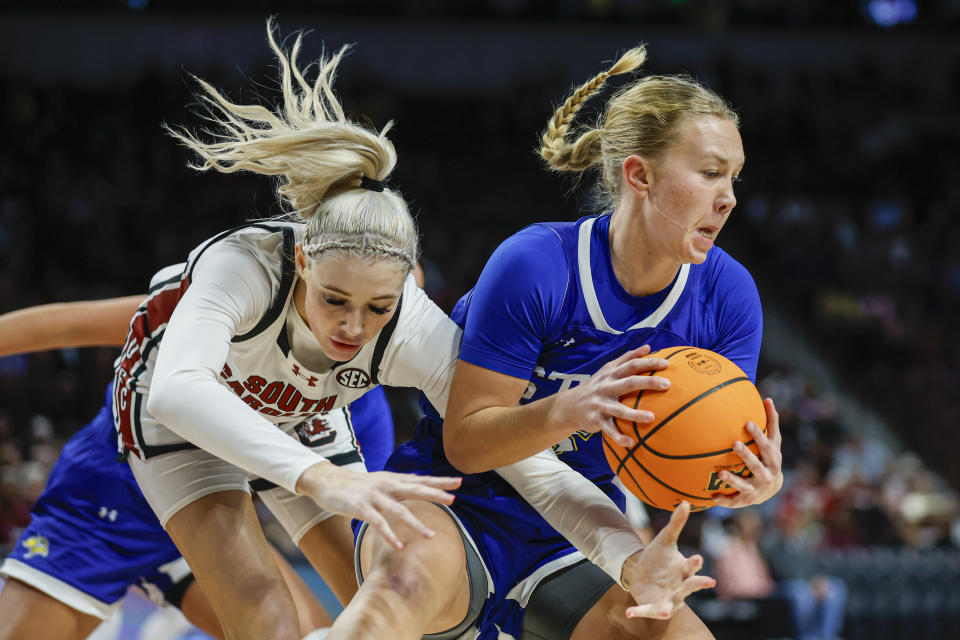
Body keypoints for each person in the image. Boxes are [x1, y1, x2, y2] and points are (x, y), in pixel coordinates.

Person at [332, 44, 784, 640]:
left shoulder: (729, 295)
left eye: (733, 176)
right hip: (451, 501)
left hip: (575, 532)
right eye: (708, 173)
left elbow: (685, 463)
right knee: (400, 594)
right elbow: (466, 441)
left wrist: (742, 483)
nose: (727, 197)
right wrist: (570, 408)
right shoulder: (537, 265)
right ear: (639, 175)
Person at [101, 18, 465, 640]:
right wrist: (321, 478)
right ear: (300, 260)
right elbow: (178, 389)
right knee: (267, 620)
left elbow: (496, 428)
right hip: (174, 420)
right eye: (334, 299)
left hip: (299, 416)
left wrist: (617, 540)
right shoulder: (241, 266)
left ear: (402, 288)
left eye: (377, 307)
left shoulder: (411, 322)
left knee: (391, 598)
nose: (354, 326)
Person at [0, 295, 394, 640]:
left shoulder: (366, 418)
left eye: (384, 309)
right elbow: (72, 322)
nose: (359, 324)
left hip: (210, 516)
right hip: (114, 494)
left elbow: (361, 558)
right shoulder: (243, 296)